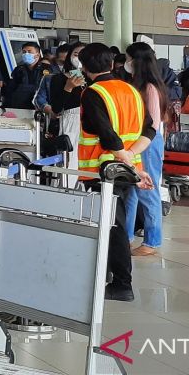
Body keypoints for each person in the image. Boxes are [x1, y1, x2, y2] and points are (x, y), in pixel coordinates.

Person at [76, 43, 155, 302]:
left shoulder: (93, 92)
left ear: (85, 68)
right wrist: (132, 161)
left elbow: (107, 135)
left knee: (113, 225)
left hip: (103, 171)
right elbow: (149, 130)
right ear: (111, 64)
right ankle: (110, 277)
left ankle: (122, 284)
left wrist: (127, 162)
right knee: (114, 222)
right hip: (125, 169)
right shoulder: (131, 90)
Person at [123, 42, 172, 258]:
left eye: (128, 58)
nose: (126, 63)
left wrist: (136, 148)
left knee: (147, 190)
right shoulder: (138, 84)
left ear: (136, 61)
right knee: (132, 191)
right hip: (137, 141)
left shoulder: (150, 88)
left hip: (147, 143)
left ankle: (152, 241)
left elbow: (151, 124)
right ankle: (125, 237)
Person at [36, 42, 86, 160]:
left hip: (89, 124)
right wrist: (68, 88)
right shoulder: (58, 78)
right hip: (70, 122)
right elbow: (57, 108)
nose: (79, 58)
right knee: (70, 159)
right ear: (70, 56)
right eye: (76, 54)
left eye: (83, 55)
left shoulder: (92, 79)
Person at [3, 41, 51, 112]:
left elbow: (50, 89)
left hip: (39, 108)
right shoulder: (19, 69)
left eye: (29, 52)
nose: (26, 54)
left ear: (37, 55)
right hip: (20, 107)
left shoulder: (47, 69)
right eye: (24, 52)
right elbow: (10, 89)